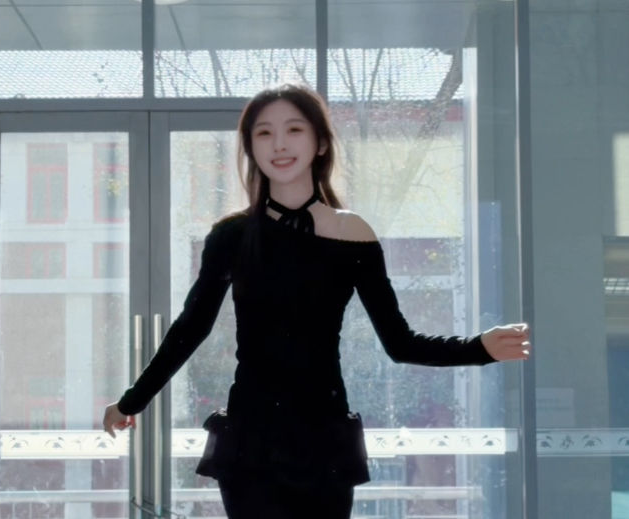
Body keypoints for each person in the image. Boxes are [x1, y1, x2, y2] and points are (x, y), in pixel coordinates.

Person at [103, 83, 531, 519]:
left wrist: (479, 348)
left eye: (294, 129)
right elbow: (190, 329)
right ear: (250, 148)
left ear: (320, 142)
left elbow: (400, 343)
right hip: (251, 440)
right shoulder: (231, 235)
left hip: (324, 438)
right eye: (264, 133)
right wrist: (131, 402)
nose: (279, 144)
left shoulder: (353, 233)